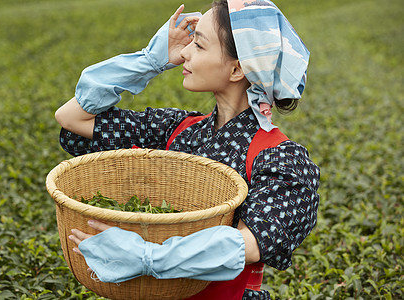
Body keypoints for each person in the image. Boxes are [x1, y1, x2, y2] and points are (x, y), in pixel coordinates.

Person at [55, 0, 320, 299]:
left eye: (199, 45)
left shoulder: (280, 159)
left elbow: (250, 243)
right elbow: (71, 118)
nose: (184, 53)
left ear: (236, 69)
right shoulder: (176, 128)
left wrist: (149, 257)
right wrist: (150, 60)